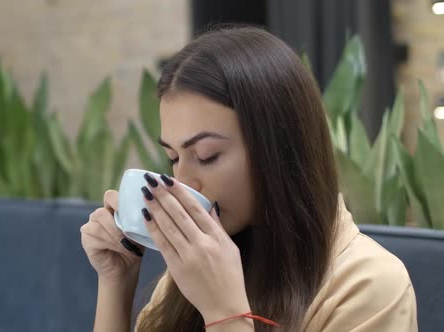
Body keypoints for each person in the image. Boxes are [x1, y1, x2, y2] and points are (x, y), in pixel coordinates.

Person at [80, 26, 418, 332]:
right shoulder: (199, 265)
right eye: (173, 158)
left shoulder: (371, 286)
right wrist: (116, 283)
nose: (183, 182)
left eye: (206, 155)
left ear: (281, 148)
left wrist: (223, 312)